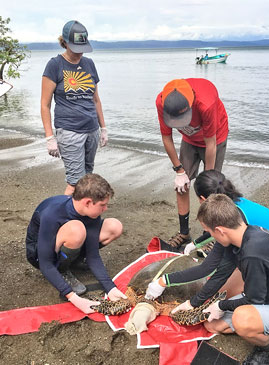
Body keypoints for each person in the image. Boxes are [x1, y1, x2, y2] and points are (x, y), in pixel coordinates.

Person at [171, 194, 269, 365]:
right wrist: (194, 303)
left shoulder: (252, 254)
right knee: (212, 325)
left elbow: (254, 300)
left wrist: (220, 305)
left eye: (209, 233)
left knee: (242, 319)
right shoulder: (249, 232)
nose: (211, 237)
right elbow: (218, 275)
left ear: (220, 231)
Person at [145, 169, 269, 303]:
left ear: (204, 200)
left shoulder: (233, 221)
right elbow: (215, 231)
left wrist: (163, 281)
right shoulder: (231, 204)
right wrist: (195, 244)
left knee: (220, 295)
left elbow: (207, 268)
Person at [25, 173, 127, 314]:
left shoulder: (90, 212)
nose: (106, 209)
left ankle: (72, 260)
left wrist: (111, 288)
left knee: (114, 226)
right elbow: (45, 264)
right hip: (40, 253)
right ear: (87, 202)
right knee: (76, 229)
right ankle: (62, 270)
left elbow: (93, 256)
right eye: (102, 205)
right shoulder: (52, 213)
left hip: (68, 241)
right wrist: (75, 299)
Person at [156, 78, 228, 248]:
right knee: (181, 186)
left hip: (215, 139)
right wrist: (179, 170)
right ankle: (184, 232)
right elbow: (166, 137)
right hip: (189, 140)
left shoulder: (206, 102)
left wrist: (207, 180)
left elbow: (210, 143)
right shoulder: (162, 102)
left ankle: (209, 235)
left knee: (212, 190)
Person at [41, 20, 107, 195]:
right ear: (65, 43)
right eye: (76, 48)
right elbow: (45, 104)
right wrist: (49, 137)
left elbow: (96, 100)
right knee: (75, 182)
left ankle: (83, 214)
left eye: (82, 48)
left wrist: (103, 128)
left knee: (88, 178)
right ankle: (63, 216)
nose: (79, 53)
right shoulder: (55, 65)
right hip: (69, 131)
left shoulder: (89, 64)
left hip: (91, 129)